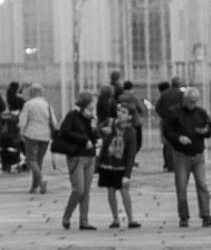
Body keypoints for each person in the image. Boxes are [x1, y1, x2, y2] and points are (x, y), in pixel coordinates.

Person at [164, 86, 211, 228]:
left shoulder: (201, 113)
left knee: (203, 185)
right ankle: (184, 217)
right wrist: (178, 138)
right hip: (181, 155)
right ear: (184, 100)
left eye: (195, 102)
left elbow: (209, 128)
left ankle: (206, 215)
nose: (193, 105)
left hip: (198, 154)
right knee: (181, 188)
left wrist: (206, 131)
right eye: (191, 102)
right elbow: (167, 131)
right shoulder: (174, 112)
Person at [54, 92, 101, 230]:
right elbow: (65, 132)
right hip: (76, 156)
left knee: (86, 191)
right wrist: (84, 139)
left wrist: (95, 130)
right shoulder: (72, 116)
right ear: (85, 103)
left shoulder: (90, 118)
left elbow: (93, 136)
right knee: (78, 190)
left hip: (90, 156)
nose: (93, 105)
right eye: (92, 102)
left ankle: (84, 221)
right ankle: (67, 216)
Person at [98, 104, 142, 228]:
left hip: (121, 166)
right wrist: (102, 130)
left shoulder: (131, 132)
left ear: (129, 116)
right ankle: (115, 219)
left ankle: (131, 219)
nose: (120, 114)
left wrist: (127, 174)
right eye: (119, 111)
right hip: (107, 164)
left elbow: (131, 154)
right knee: (111, 191)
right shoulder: (110, 122)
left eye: (124, 112)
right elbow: (99, 128)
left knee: (124, 192)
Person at [19, 82, 53, 194]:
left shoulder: (28, 104)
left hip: (31, 134)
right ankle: (34, 186)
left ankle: (41, 179)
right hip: (45, 135)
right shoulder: (47, 104)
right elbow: (53, 121)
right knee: (38, 162)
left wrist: (21, 132)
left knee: (30, 160)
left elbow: (23, 121)